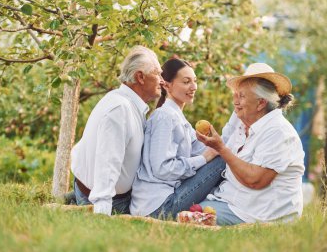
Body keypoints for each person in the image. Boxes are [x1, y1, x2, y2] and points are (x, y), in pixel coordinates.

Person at [196, 63, 305, 225]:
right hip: (232, 203)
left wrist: (221, 148)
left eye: (241, 96)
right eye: (235, 95)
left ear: (261, 103)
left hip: (257, 214)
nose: (235, 102)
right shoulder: (244, 124)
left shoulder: (278, 132)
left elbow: (255, 180)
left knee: (187, 217)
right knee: (186, 211)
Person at [70, 46, 164, 216]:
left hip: (102, 192)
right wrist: (102, 212)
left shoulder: (129, 103)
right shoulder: (120, 109)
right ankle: (78, 201)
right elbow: (107, 162)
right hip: (102, 198)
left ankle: (73, 198)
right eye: (157, 74)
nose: (162, 81)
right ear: (140, 77)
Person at [130, 59, 226, 219]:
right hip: (159, 206)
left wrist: (215, 146)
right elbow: (162, 168)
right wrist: (205, 158)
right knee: (223, 159)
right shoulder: (164, 117)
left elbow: (203, 151)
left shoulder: (178, 118)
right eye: (186, 82)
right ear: (166, 85)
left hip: (166, 198)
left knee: (224, 153)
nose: (194, 87)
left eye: (195, 81)